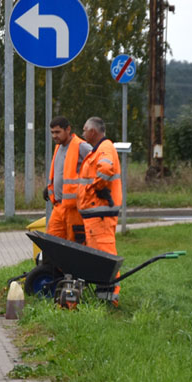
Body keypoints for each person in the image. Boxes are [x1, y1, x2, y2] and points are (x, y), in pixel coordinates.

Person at [77, 116, 123, 303]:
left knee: (105, 258)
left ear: (93, 132)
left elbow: (105, 169)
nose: (82, 134)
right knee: (100, 257)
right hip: (97, 215)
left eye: (84, 130)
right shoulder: (99, 149)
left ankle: (110, 300)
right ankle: (104, 297)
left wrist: (95, 188)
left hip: (101, 215)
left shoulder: (104, 149)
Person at [45, 116, 92, 244]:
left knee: (75, 245)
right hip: (59, 206)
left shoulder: (81, 146)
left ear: (68, 130)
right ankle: (54, 265)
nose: (54, 136)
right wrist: (50, 188)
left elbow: (96, 163)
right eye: (52, 132)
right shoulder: (58, 148)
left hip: (74, 209)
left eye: (58, 132)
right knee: (51, 242)